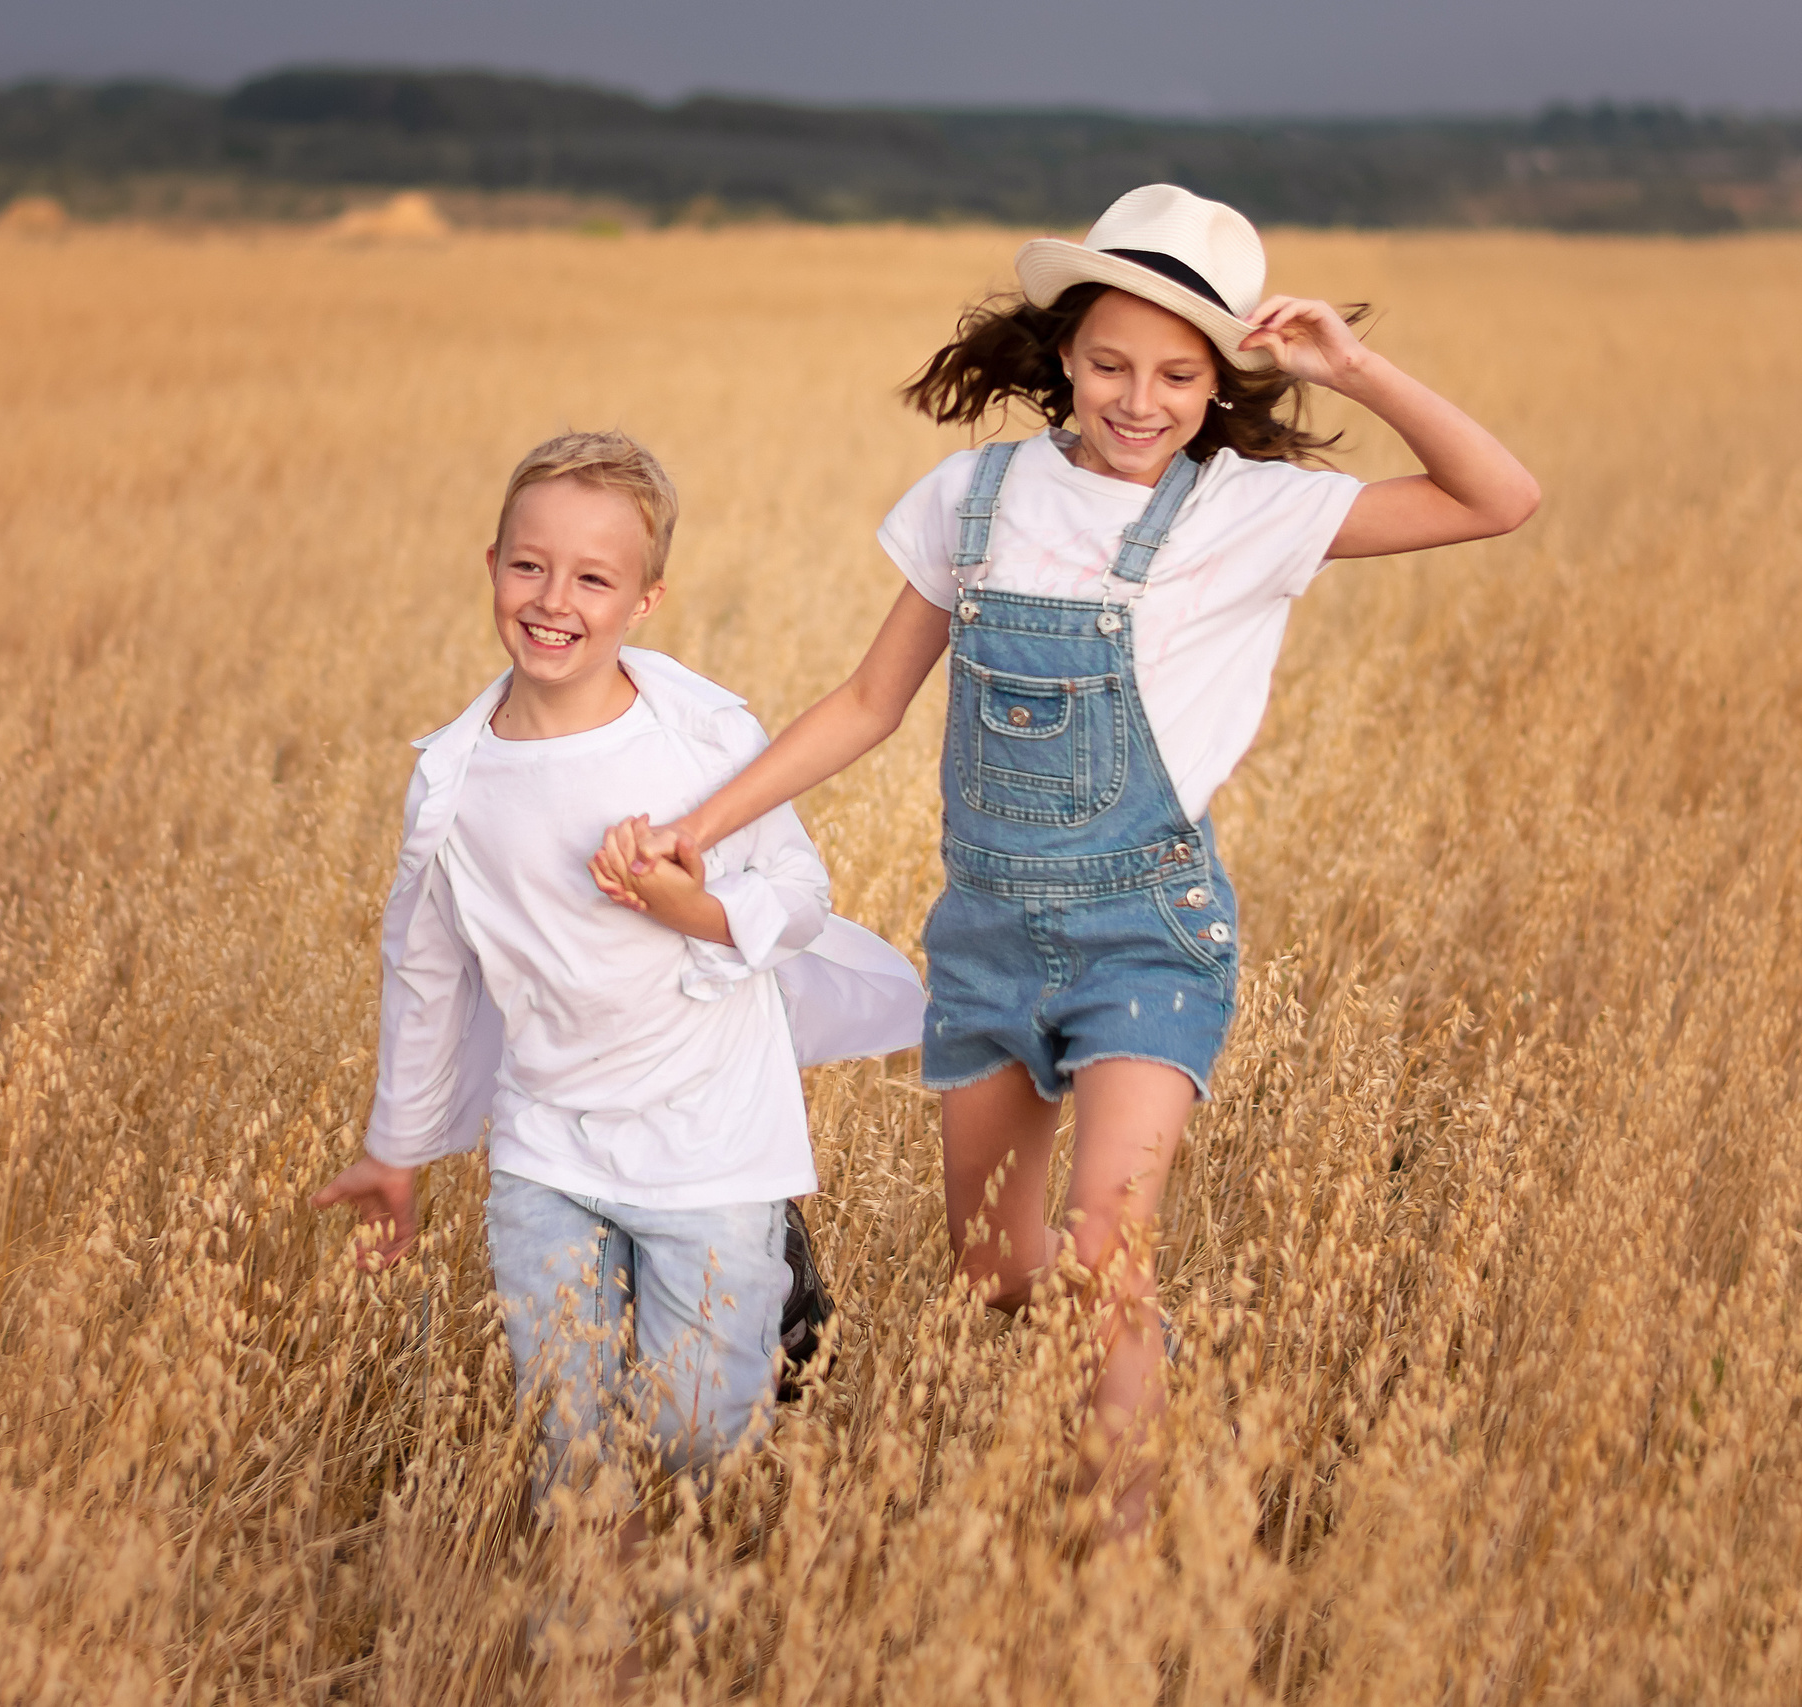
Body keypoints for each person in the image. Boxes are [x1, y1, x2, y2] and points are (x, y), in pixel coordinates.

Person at [591, 185, 1538, 1536]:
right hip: (983, 934)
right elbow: (867, 704)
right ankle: (1120, 1368)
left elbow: (1500, 498)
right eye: (1109, 363)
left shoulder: (1248, 513)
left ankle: (1123, 1554)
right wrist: (698, 824)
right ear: (1064, 353)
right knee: (995, 1270)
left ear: (1220, 384)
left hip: (1148, 927)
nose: (1137, 398)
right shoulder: (972, 499)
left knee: (1106, 1251)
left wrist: (1351, 365)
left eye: (1176, 372)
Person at [311, 430, 922, 1530]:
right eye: (528, 566)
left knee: (697, 1434)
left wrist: (689, 906)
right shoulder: (453, 778)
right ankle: (596, 1649)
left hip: (711, 1139)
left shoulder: (699, 741)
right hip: (545, 1141)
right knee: (570, 1431)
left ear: (645, 600)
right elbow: (425, 968)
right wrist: (394, 1150)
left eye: (594, 578)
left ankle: (772, 1279)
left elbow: (798, 894)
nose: (554, 600)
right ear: (490, 563)